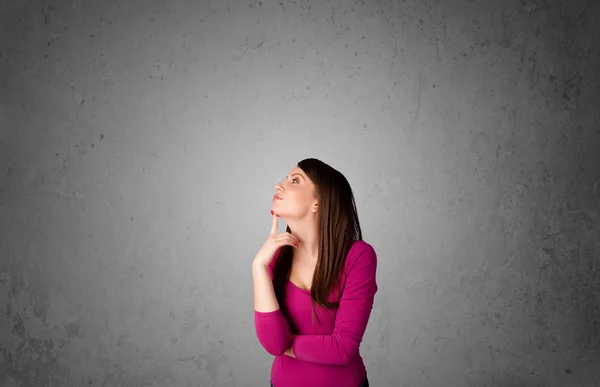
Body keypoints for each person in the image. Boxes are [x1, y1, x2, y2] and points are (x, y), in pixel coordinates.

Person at [252, 158, 378, 387]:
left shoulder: (359, 256)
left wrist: (285, 343)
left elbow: (342, 349)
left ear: (317, 203)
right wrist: (258, 268)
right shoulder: (273, 258)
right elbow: (272, 344)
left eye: (295, 180)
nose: (278, 185)